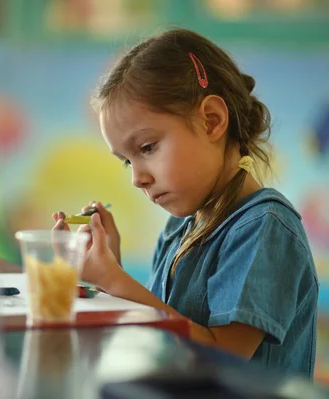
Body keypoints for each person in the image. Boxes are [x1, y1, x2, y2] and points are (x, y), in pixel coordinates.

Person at [52, 28, 319, 379]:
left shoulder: (264, 227)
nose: (137, 178)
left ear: (212, 121)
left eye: (147, 148)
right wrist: (107, 274)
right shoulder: (181, 227)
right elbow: (166, 333)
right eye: (127, 161)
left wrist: (118, 283)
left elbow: (223, 358)